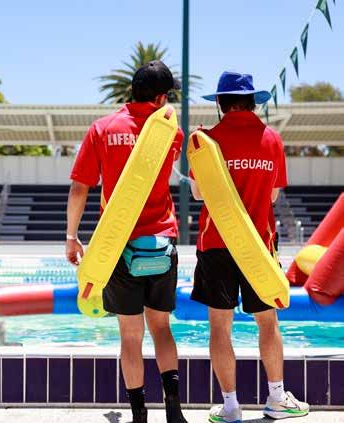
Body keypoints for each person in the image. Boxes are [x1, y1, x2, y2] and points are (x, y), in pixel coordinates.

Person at [66, 60, 187, 423]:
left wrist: (72, 237)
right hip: (161, 240)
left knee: (130, 336)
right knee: (161, 328)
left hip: (118, 244)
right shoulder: (173, 134)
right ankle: (174, 410)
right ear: (161, 98)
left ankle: (138, 415)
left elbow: (79, 188)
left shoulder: (102, 129)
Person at [189, 71, 309, 422]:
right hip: (258, 243)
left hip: (216, 242)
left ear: (220, 103)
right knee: (268, 322)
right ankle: (276, 399)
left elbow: (198, 194)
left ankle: (230, 407)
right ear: (254, 101)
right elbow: (272, 196)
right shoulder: (272, 139)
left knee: (219, 326)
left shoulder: (206, 140)